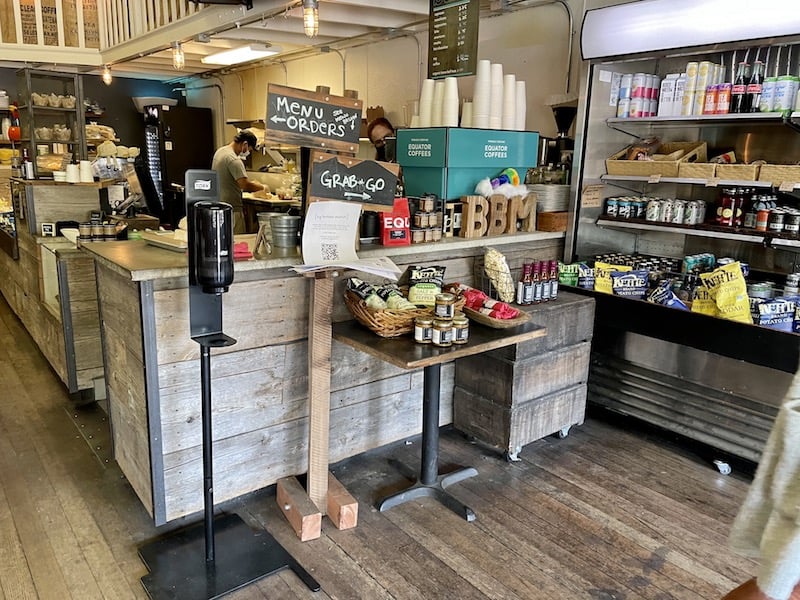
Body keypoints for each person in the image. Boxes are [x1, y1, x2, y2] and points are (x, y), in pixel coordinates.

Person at [211, 129, 266, 234]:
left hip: (218, 207)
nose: (248, 152)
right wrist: (262, 188)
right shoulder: (234, 160)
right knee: (237, 242)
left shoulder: (220, 151)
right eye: (249, 149)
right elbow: (244, 185)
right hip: (232, 210)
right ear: (244, 144)